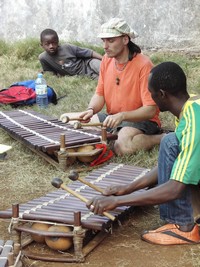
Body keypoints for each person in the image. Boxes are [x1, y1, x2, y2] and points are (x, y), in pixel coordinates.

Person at [86, 61, 200, 245]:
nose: (150, 97)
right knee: (171, 142)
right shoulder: (191, 106)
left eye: (151, 92)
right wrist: (129, 188)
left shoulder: (195, 122)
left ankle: (183, 228)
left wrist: (118, 201)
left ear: (162, 94)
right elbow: (180, 165)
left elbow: (174, 188)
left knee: (169, 141)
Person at [76, 18, 163, 155]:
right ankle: (114, 133)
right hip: (113, 118)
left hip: (142, 120)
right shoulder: (106, 59)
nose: (105, 46)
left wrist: (122, 116)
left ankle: (160, 138)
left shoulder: (143, 64)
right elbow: (100, 94)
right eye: (103, 40)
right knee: (70, 122)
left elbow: (150, 110)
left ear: (125, 40)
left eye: (110, 40)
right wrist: (91, 110)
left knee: (122, 146)